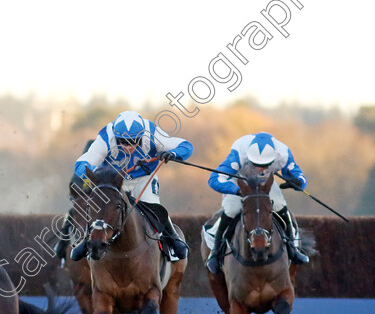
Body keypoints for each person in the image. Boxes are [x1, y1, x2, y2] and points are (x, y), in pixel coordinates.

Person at [72, 110, 193, 261]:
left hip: (143, 178)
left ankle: (172, 238)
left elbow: (186, 146)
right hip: (115, 182)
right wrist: (98, 175)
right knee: (101, 209)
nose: (128, 146)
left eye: (134, 141)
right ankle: (86, 241)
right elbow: (82, 164)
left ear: (142, 135)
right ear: (115, 136)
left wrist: (173, 154)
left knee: (153, 205)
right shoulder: (106, 135)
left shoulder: (152, 132)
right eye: (122, 141)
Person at [205, 132, 310, 274]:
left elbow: (300, 177)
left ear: (273, 158)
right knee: (232, 208)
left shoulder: (283, 153)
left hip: (265, 182)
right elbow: (214, 179)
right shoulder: (239, 153)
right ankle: (215, 253)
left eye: (265, 165)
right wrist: (237, 191)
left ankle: (293, 249)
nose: (260, 169)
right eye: (256, 164)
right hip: (239, 180)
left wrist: (298, 182)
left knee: (279, 205)